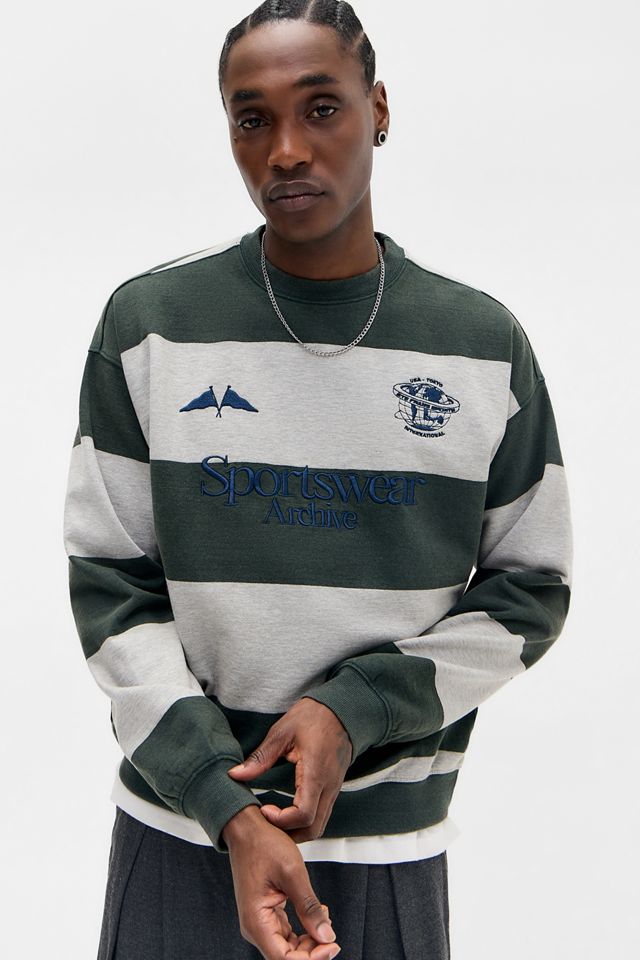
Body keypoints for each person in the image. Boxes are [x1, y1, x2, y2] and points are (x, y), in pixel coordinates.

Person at [62, 1, 573, 958]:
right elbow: (110, 587)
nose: (287, 150)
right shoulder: (149, 327)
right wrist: (224, 803)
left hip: (385, 856)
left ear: (379, 110)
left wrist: (354, 708)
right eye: (251, 119)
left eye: (322, 107)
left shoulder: (481, 347)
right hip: (180, 840)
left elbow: (530, 591)